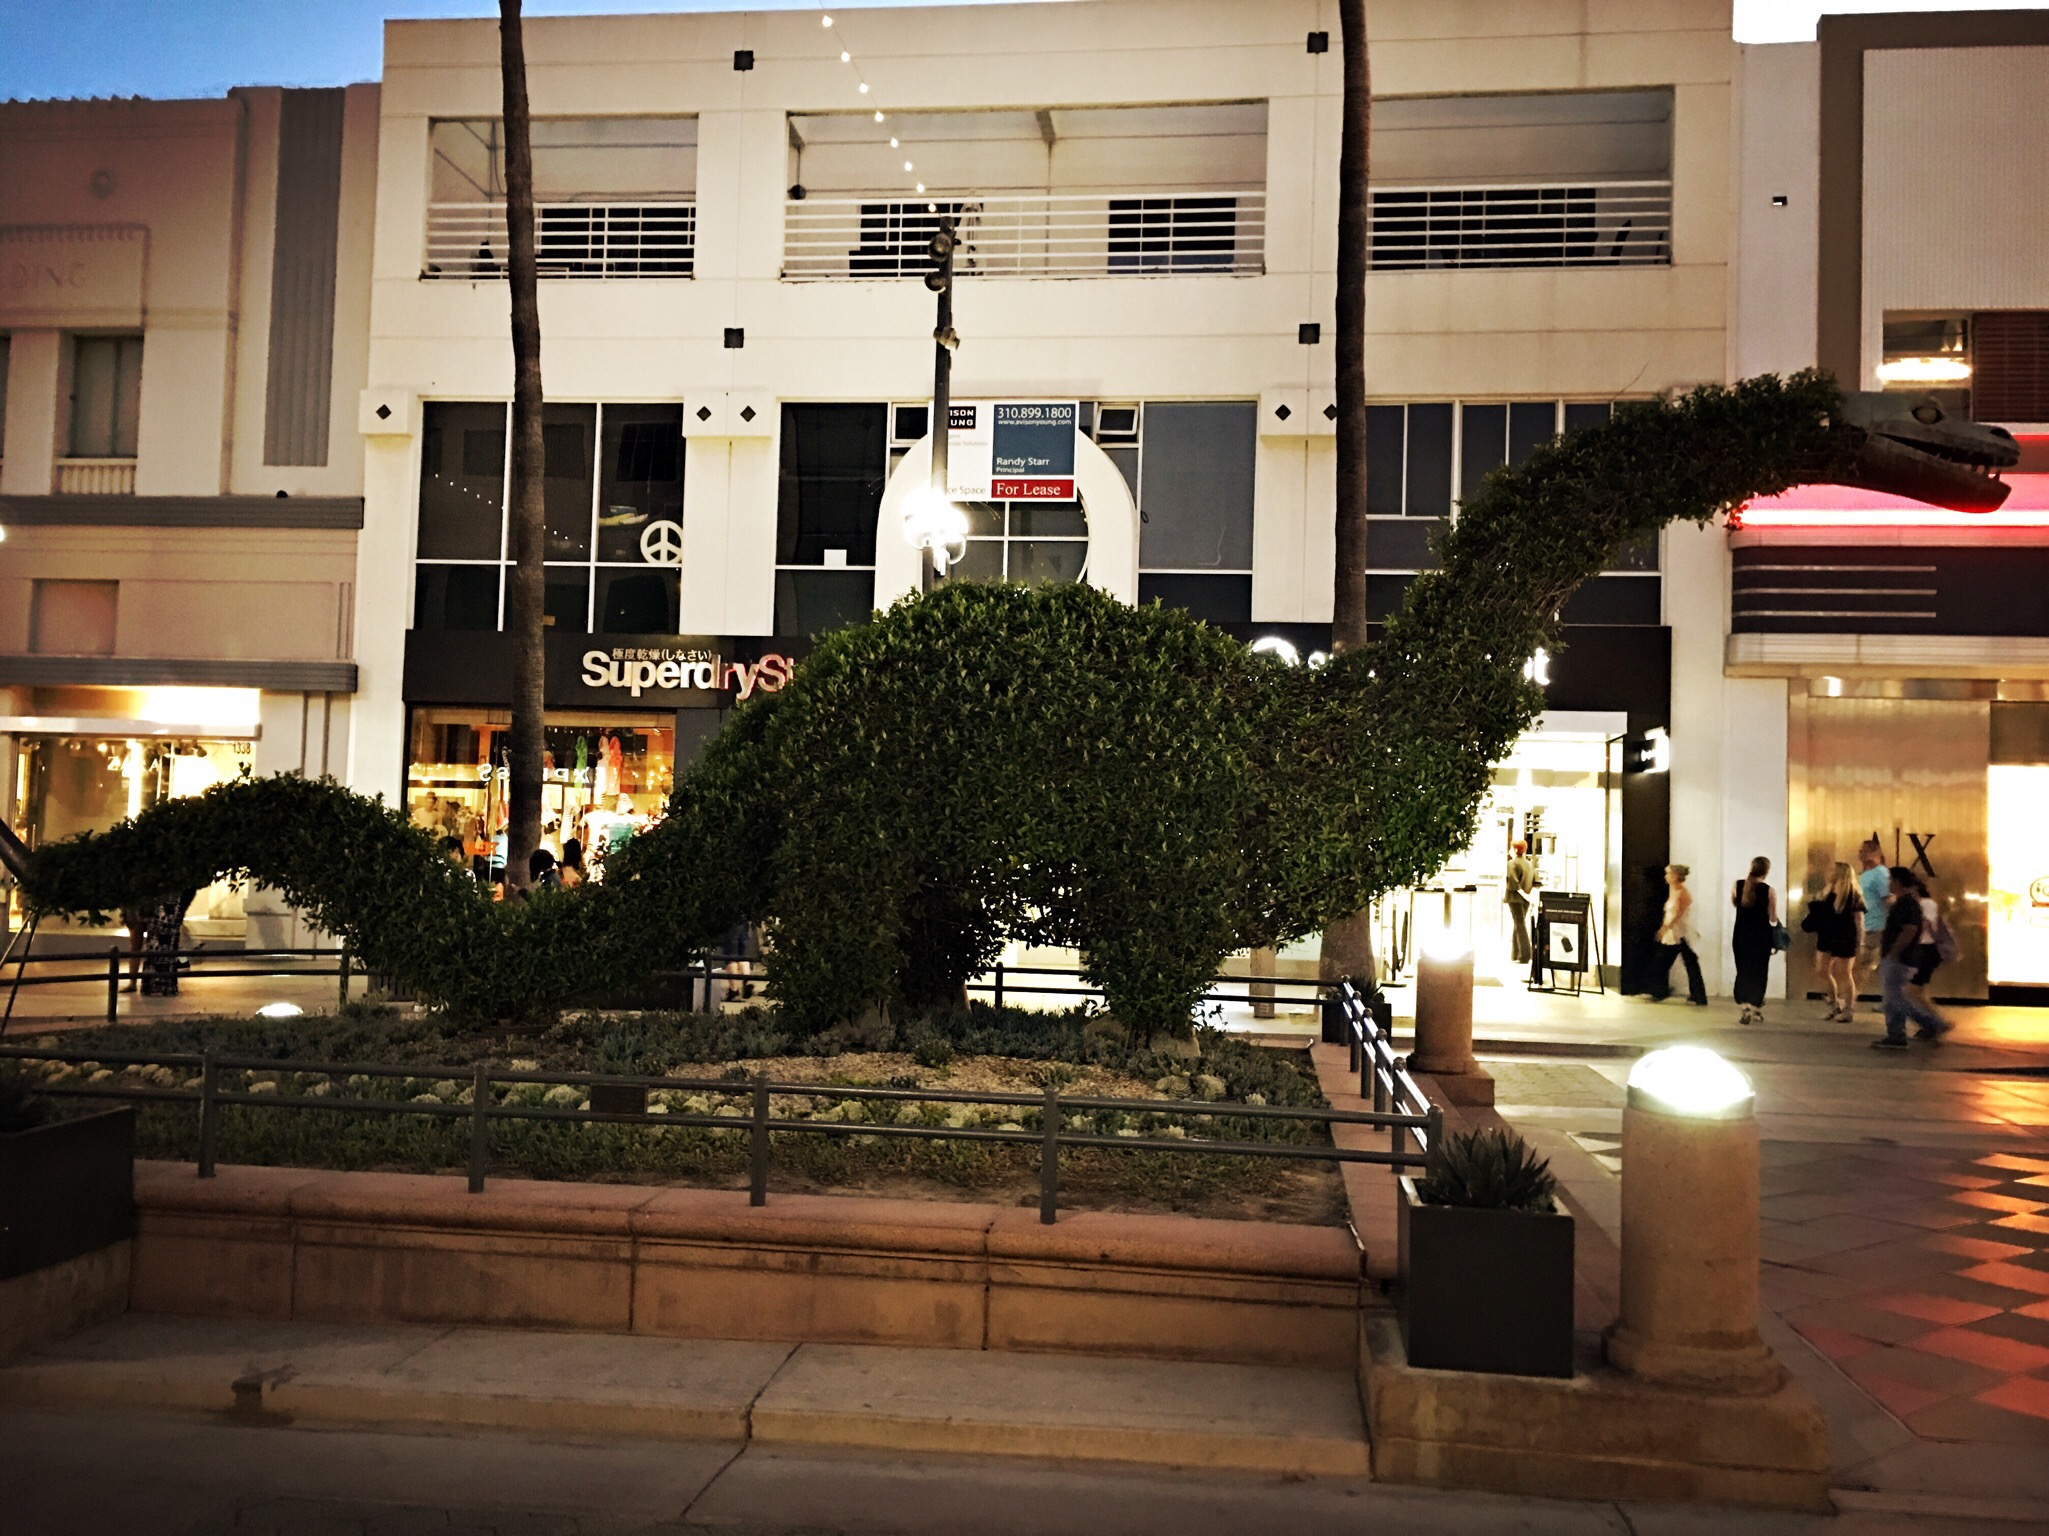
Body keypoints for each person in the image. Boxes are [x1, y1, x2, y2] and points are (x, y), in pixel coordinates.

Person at [1873, 866, 1951, 1049]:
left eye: (1890, 880)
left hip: (1900, 958)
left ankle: (1931, 1024)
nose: (1888, 883)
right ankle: (1897, 1034)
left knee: (1895, 998)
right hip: (1902, 957)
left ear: (1898, 882)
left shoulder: (1906, 903)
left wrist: (1894, 952)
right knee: (1894, 998)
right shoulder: (1905, 902)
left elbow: (1909, 930)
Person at [1802, 861, 1864, 1023]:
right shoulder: (1828, 893)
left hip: (1845, 936)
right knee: (1821, 970)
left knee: (1845, 973)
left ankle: (1848, 1009)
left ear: (1839, 874)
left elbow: (1859, 921)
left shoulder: (1852, 896)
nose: (1827, 873)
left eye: (1831, 871)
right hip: (1827, 935)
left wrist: (1860, 942)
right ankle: (1835, 1003)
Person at [1648, 864, 1707, 1005]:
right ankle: (1661, 992)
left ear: (1675, 876)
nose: (1666, 876)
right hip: (1674, 934)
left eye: (1669, 874)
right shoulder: (1674, 891)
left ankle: (1696, 996)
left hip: (1680, 934)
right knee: (1667, 962)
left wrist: (1665, 928)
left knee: (1679, 963)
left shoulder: (1682, 893)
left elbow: (1678, 915)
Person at [1730, 856, 1777, 1026]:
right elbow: (1772, 917)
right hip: (1761, 936)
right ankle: (1754, 1006)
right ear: (1766, 871)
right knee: (1759, 972)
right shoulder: (1769, 891)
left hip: (1741, 934)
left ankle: (1744, 1005)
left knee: (1743, 970)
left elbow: (1736, 904)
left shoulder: (1737, 885)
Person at [1854, 839, 1890, 1009]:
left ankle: (1848, 998)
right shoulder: (1865, 875)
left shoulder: (1880, 874)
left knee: (1864, 964)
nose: (1860, 854)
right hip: (1867, 925)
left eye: (1863, 851)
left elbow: (1887, 899)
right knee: (1865, 965)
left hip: (1876, 927)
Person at [1504, 840, 1536, 965]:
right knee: (1518, 924)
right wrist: (1528, 896)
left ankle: (1525, 954)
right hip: (1525, 900)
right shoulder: (1529, 864)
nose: (1509, 851)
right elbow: (1536, 882)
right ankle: (1515, 953)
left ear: (1516, 850)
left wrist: (1523, 894)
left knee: (1520, 925)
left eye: (1511, 848)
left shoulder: (1511, 863)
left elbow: (1513, 883)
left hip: (1515, 898)